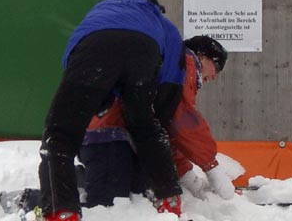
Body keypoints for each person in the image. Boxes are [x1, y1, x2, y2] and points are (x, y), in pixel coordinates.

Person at [7, 0, 186, 221]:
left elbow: (73, 60)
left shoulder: (102, 12)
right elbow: (171, 73)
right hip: (145, 50)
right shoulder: (158, 21)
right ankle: (170, 203)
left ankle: (61, 217)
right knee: (145, 125)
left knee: (59, 132)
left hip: (96, 47)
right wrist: (159, 113)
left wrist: (92, 102)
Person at [80, 36, 235, 207]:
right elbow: (183, 122)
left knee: (131, 205)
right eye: (217, 67)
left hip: (116, 139)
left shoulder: (170, 62)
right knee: (108, 210)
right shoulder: (186, 64)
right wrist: (212, 167)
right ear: (202, 56)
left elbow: (166, 130)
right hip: (112, 139)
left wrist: (185, 173)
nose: (215, 77)